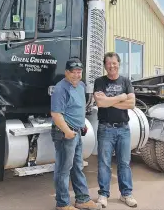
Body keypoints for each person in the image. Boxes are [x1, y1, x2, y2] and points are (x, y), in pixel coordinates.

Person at [51, 58, 100, 210]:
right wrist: (67, 131)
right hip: (65, 133)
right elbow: (56, 114)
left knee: (77, 166)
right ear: (66, 72)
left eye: (79, 72)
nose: (77, 75)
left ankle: (82, 199)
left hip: (77, 131)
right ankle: (63, 204)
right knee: (63, 169)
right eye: (73, 72)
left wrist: (82, 124)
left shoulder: (81, 86)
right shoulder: (60, 89)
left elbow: (78, 108)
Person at [93, 52, 138, 208]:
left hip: (123, 129)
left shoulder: (126, 81)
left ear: (119, 64)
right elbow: (100, 103)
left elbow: (131, 104)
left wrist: (108, 101)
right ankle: (103, 195)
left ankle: (126, 194)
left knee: (124, 163)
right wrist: (120, 97)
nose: (112, 66)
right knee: (104, 164)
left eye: (114, 63)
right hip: (106, 129)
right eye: (108, 63)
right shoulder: (99, 81)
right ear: (104, 65)